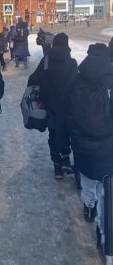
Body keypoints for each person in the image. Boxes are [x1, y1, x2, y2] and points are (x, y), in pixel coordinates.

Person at [67, 43, 113, 248]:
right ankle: (104, 227)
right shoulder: (110, 82)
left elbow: (68, 111)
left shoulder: (76, 80)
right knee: (106, 186)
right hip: (108, 145)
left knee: (87, 180)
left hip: (82, 143)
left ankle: (88, 207)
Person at [27, 32, 78, 179]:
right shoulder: (72, 63)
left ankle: (57, 167)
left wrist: (37, 92)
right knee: (66, 132)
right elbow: (76, 84)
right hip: (68, 106)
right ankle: (66, 160)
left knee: (53, 133)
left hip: (49, 104)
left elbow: (32, 79)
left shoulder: (46, 61)